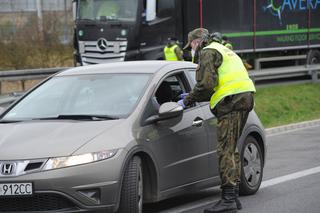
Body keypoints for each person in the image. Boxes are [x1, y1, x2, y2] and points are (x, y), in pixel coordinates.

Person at [178, 28, 256, 213]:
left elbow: (206, 85)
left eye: (192, 46)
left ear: (197, 42)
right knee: (231, 148)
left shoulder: (207, 52)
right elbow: (218, 84)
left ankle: (228, 199)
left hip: (231, 102)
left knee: (225, 150)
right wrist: (192, 95)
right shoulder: (223, 49)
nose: (193, 50)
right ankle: (234, 197)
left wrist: (187, 100)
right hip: (244, 98)